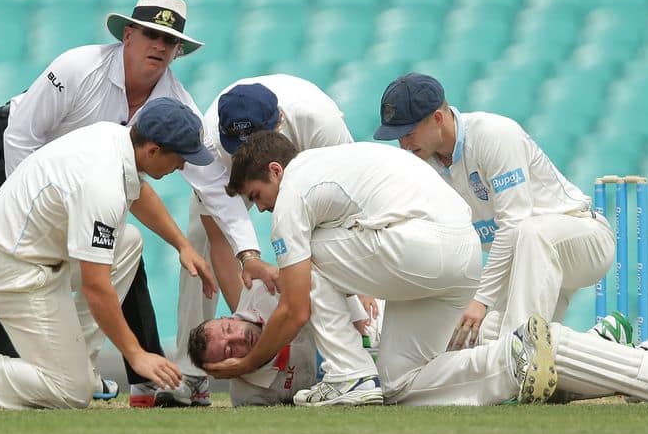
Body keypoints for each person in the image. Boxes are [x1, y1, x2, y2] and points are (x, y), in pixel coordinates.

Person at [0, 0, 270, 407]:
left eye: (170, 41)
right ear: (127, 35)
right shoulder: (77, 68)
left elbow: (214, 187)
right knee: (28, 260)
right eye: (149, 34)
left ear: (178, 52)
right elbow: (21, 137)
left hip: (79, 174)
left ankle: (92, 370)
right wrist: (23, 214)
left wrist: (246, 253)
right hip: (7, 150)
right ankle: (11, 368)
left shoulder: (175, 110)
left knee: (121, 248)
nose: (159, 46)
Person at [203, 131, 561, 407]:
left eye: (256, 196)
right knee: (399, 381)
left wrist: (248, 362)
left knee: (302, 257)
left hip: (420, 247)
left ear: (275, 170)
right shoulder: (330, 160)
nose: (262, 209)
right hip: (462, 257)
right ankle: (512, 359)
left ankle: (348, 375)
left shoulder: (292, 194)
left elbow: (295, 309)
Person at [0, 98, 214, 410]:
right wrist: (135, 354)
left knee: (128, 242)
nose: (183, 166)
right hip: (10, 270)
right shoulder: (100, 184)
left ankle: (81, 370)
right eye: (181, 157)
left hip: (31, 253)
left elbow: (138, 191)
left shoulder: (115, 138)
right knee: (70, 393)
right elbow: (95, 287)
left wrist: (182, 244)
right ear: (153, 150)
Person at [372, 73, 616, 350]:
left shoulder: (494, 134)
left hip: (584, 239)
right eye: (397, 136)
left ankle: (519, 358)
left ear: (438, 118)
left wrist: (481, 300)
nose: (403, 144)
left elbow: (514, 224)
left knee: (528, 234)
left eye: (408, 133)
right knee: (485, 339)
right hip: (525, 262)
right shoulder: (421, 164)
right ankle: (606, 342)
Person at [164, 75, 367, 406]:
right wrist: (250, 318)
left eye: (255, 146)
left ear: (281, 123)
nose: (249, 155)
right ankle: (193, 375)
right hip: (226, 167)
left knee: (325, 237)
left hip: (312, 160)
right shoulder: (213, 146)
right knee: (199, 239)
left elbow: (351, 210)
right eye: (240, 149)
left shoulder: (320, 125)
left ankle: (353, 354)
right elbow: (220, 239)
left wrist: (361, 292)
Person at [187, 281, 376, 406]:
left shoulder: (261, 291)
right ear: (224, 370)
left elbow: (318, 279)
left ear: (228, 317)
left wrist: (357, 290)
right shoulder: (248, 396)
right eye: (229, 350)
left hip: (368, 320)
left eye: (228, 329)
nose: (239, 338)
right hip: (357, 381)